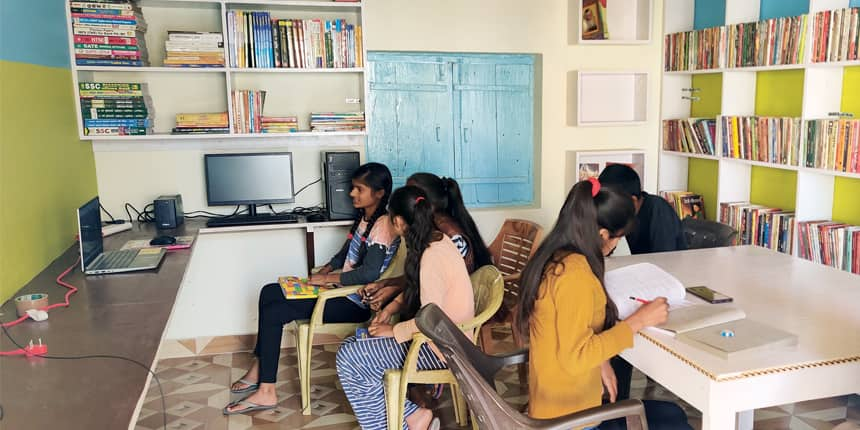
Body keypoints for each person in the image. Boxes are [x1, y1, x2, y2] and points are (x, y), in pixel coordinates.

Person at [515, 178, 692, 430]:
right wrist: (638, 321)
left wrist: (602, 361)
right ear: (602, 234)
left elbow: (569, 332)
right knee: (673, 420)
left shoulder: (555, 258)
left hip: (557, 405)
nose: (616, 246)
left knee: (671, 415)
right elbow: (576, 356)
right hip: (572, 419)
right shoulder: (574, 275)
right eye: (618, 238)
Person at [224, 162, 399, 415]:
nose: (352, 194)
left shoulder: (383, 225)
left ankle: (267, 390)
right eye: (352, 188)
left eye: (359, 190)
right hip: (339, 291)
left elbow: (369, 273)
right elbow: (345, 254)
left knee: (275, 311)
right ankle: (260, 367)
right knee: (269, 291)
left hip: (353, 304)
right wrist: (329, 268)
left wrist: (327, 281)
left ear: (380, 193)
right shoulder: (365, 218)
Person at [336, 185, 474, 430]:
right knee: (351, 344)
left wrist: (393, 331)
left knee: (350, 358)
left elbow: (432, 318)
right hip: (436, 339)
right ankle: (412, 417)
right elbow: (415, 289)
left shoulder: (432, 256)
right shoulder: (432, 241)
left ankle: (389, 425)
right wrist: (389, 311)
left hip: (441, 348)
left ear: (398, 221)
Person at [598, 164, 687, 402]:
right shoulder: (625, 214)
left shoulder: (657, 211)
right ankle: (616, 397)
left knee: (618, 324)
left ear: (635, 200)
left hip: (667, 289)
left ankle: (616, 399)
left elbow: (664, 262)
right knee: (612, 321)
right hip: (641, 284)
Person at [359, 173, 491, 311]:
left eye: (411, 194)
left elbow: (438, 287)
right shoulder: (425, 231)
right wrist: (385, 284)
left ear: (425, 203)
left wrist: (393, 293)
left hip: (453, 313)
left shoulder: (449, 239)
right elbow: (419, 275)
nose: (406, 198)